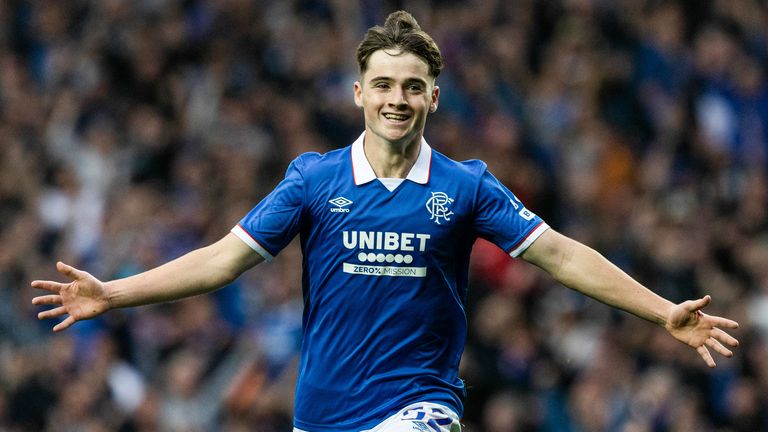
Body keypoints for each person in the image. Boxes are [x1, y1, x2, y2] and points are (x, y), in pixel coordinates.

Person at [32, 10, 739, 432]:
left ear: (432, 95)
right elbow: (223, 260)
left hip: (420, 408)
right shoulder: (314, 179)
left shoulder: (466, 186)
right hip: (323, 411)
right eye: (382, 85)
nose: (396, 99)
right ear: (358, 92)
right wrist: (115, 293)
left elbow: (560, 254)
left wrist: (659, 312)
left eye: (411, 86)